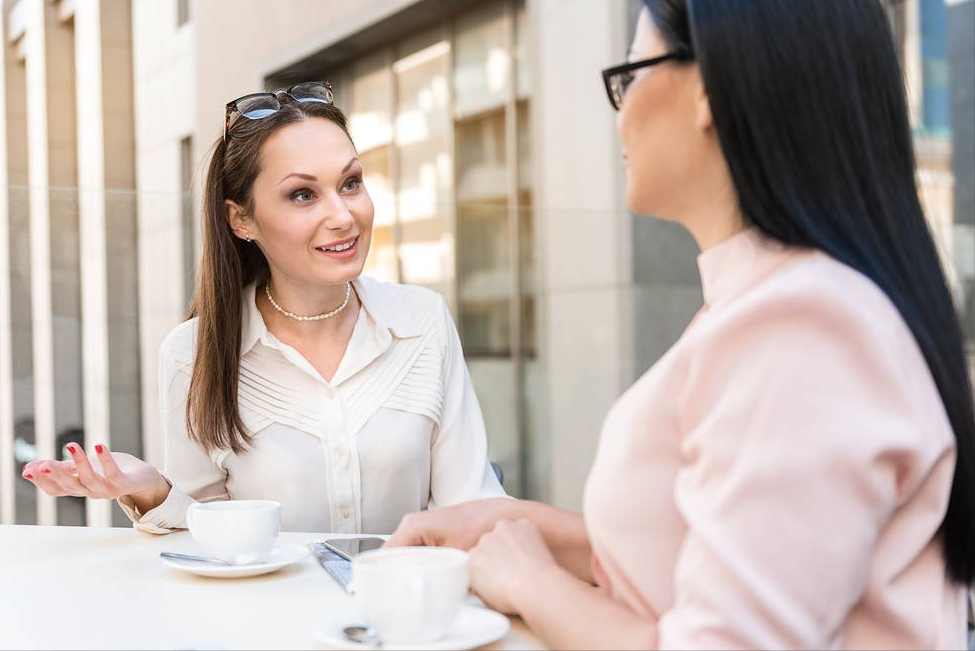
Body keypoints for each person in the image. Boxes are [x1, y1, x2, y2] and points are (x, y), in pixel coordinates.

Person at [386, 1, 975, 648]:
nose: (620, 110)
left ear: (706, 89)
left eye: (629, 76)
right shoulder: (775, 302)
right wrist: (520, 527)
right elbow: (719, 555)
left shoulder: (803, 324)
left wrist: (531, 581)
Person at [21, 81, 505, 534]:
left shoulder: (423, 321)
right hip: (266, 621)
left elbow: (471, 503)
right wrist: (152, 489)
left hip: (404, 614)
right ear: (242, 219)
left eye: (351, 183)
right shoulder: (192, 353)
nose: (343, 216)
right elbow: (206, 538)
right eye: (303, 194)